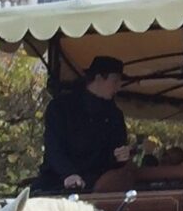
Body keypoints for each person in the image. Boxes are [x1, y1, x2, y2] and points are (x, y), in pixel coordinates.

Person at [31, 56, 131, 194]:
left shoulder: (115, 115)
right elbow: (54, 147)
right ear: (98, 78)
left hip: (99, 185)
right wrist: (68, 174)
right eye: (115, 81)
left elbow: (116, 152)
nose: (118, 86)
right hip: (57, 181)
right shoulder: (61, 107)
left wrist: (121, 157)